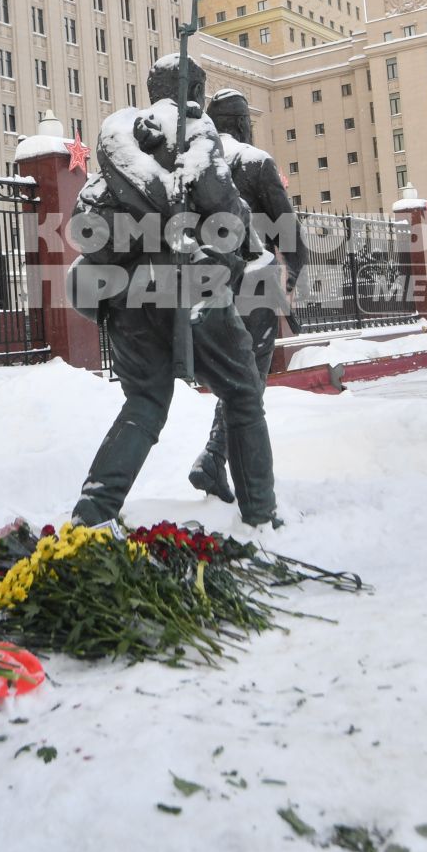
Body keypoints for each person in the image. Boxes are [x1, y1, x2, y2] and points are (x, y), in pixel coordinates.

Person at [66, 57, 280, 528]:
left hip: (125, 299)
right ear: (196, 92)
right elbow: (224, 209)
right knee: (243, 393)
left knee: (144, 402)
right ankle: (261, 518)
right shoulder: (197, 138)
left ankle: (93, 510)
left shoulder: (120, 142)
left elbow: (85, 228)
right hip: (194, 287)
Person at [186, 88, 306, 506]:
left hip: (210, 291)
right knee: (248, 387)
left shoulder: (198, 166)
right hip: (256, 287)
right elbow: (292, 239)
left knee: (237, 384)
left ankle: (215, 461)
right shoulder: (256, 163)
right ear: (240, 124)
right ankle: (222, 464)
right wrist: (285, 292)